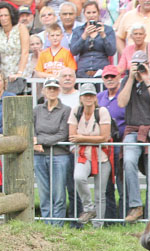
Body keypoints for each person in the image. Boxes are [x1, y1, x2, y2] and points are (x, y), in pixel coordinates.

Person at [117, 50, 150, 222]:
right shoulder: (126, 81)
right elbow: (121, 102)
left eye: (142, 63)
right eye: (136, 64)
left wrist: (147, 80)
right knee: (128, 162)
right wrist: (130, 78)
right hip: (132, 130)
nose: (139, 67)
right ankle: (136, 206)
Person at [71, 83, 112, 225]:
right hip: (83, 154)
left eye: (91, 95)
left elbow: (104, 137)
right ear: (81, 97)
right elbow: (71, 136)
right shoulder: (76, 111)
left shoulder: (102, 112)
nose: (88, 98)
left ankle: (97, 227)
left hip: (102, 156)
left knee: (100, 194)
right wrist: (92, 139)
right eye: (85, 95)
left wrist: (82, 138)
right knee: (78, 177)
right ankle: (88, 208)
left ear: (95, 97)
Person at [33, 78, 71, 224]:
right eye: (49, 88)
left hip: (59, 155)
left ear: (59, 90)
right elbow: (32, 129)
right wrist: (34, 141)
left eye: (55, 88)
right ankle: (46, 223)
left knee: (59, 193)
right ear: (44, 91)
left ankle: (57, 225)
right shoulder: (37, 110)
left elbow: (62, 134)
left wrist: (39, 141)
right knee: (43, 192)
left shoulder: (65, 110)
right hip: (39, 155)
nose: (52, 91)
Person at [98, 64, 125, 223]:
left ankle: (122, 218)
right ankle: (109, 219)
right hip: (105, 145)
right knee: (106, 184)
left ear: (119, 78)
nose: (109, 80)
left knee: (122, 183)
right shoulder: (99, 97)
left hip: (120, 143)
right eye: (106, 77)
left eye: (112, 76)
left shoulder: (124, 95)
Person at [70, 1, 117, 78]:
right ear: (84, 14)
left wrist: (103, 35)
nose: (91, 15)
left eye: (94, 12)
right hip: (83, 72)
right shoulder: (78, 30)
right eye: (88, 13)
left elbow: (111, 52)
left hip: (102, 71)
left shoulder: (108, 30)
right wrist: (84, 36)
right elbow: (73, 51)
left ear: (98, 13)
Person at [0, 1, 30, 82]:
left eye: (6, 15)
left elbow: (25, 52)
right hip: (3, 76)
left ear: (11, 16)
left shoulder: (21, 28)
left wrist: (20, 73)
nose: (3, 18)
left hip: (20, 73)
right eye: (1, 16)